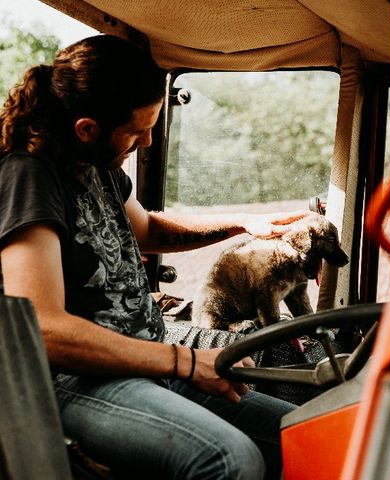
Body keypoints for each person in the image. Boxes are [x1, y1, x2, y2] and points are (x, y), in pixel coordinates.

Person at [0, 35, 302, 479]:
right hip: (72, 380)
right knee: (230, 459)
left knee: (309, 433)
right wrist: (183, 360)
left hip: (145, 361)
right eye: (137, 130)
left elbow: (148, 230)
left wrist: (244, 223)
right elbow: (43, 328)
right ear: (87, 128)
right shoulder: (29, 176)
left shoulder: (98, 166)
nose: (146, 140)